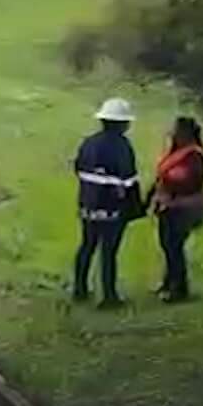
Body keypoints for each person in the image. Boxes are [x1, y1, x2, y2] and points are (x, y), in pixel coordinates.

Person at [72, 97, 141, 308]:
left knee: (87, 245)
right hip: (112, 207)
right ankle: (109, 296)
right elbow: (129, 180)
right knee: (109, 251)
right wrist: (135, 207)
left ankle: (79, 289)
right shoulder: (122, 146)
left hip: (88, 205)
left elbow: (79, 169)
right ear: (122, 123)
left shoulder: (89, 142)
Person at [151, 116, 203, 303]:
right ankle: (169, 281)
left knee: (174, 246)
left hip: (183, 207)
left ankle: (179, 288)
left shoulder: (194, 155)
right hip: (168, 206)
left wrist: (169, 185)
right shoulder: (177, 153)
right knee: (167, 245)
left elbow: (190, 179)